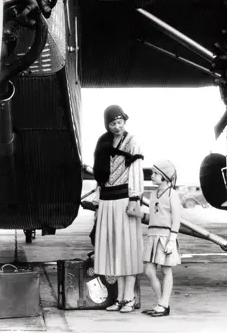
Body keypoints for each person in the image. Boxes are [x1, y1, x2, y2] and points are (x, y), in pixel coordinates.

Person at [93, 105, 144, 313]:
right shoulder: (104, 142)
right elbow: (99, 174)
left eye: (120, 122)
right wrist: (97, 203)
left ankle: (129, 298)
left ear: (125, 121)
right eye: (112, 123)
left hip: (125, 199)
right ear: (107, 124)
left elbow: (136, 170)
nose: (117, 127)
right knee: (114, 252)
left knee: (128, 251)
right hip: (106, 200)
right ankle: (119, 298)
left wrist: (135, 197)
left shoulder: (133, 142)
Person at [143, 160, 181, 317]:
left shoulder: (173, 194)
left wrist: (172, 240)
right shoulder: (153, 194)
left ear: (165, 177)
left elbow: (177, 219)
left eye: (155, 174)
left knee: (166, 270)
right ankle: (162, 302)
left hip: (166, 237)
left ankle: (163, 304)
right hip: (152, 235)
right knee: (148, 271)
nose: (152, 176)